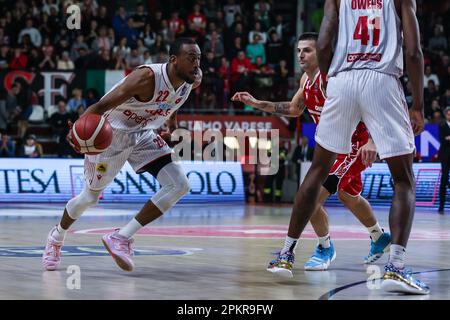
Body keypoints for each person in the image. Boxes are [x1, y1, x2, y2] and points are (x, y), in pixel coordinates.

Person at [260, 0, 428, 294]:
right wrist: (419, 105)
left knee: (317, 171)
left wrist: (334, 79)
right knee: (403, 180)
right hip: (382, 78)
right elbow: (413, 52)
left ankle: (286, 255)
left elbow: (324, 44)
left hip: (342, 79)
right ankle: (396, 268)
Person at [232, 33, 390, 272]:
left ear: (322, 52)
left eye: (307, 50)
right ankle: (378, 236)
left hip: (351, 147)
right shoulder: (307, 79)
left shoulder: (332, 79)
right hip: (330, 147)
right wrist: (257, 103)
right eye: (298, 51)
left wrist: (372, 141)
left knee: (310, 199)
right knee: (349, 195)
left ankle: (325, 247)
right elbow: (295, 109)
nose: (300, 55)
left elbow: (368, 104)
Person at [42, 38, 202, 272]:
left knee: (179, 185)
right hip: (111, 136)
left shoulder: (192, 79)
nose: (196, 64)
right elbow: (98, 107)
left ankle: (121, 237)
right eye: (191, 58)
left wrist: (171, 122)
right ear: (173, 60)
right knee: (89, 198)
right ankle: (56, 237)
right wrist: (75, 133)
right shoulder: (146, 78)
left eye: (199, 58)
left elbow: (174, 101)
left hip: (143, 134)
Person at [438, 106, 450, 213]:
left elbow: (447, 139)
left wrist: (448, 138)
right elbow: (443, 140)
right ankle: (441, 206)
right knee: (444, 179)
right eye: (448, 113)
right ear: (446, 115)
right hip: (445, 156)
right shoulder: (442, 126)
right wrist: (447, 139)